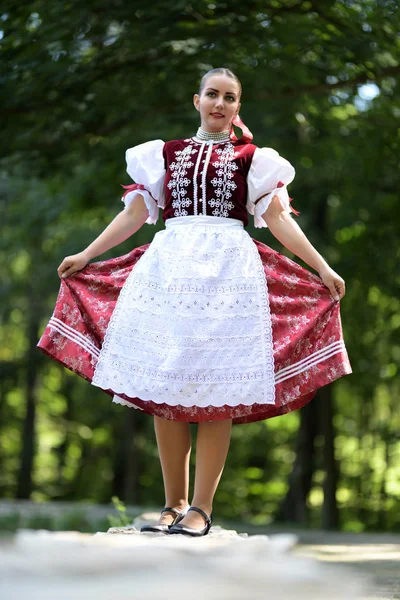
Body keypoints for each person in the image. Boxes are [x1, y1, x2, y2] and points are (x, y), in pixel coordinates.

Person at [38, 67, 351, 537]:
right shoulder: (165, 154)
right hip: (170, 271)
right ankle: (173, 504)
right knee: (167, 388)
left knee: (218, 388)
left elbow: (281, 221)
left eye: (229, 97)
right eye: (212, 94)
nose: (220, 103)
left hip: (230, 276)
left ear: (238, 107)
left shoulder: (253, 160)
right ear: (197, 99)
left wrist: (322, 267)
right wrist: (86, 254)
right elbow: (135, 214)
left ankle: (201, 508)